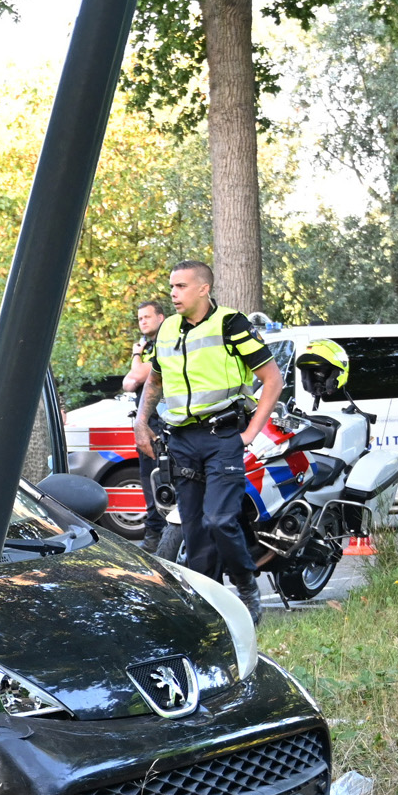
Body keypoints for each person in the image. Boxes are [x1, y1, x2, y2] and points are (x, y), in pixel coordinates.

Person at [133, 260, 285, 623]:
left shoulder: (231, 324)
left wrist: (250, 432)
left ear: (204, 288)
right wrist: (141, 422)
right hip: (182, 440)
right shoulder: (167, 329)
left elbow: (272, 380)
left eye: (181, 286)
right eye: (172, 287)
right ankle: (208, 607)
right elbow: (154, 381)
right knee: (195, 528)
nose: (173, 294)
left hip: (222, 437)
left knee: (219, 519)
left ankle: (246, 586)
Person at [121, 299, 167, 552]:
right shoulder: (150, 347)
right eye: (139, 318)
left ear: (161, 317)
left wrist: (136, 354)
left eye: (147, 317)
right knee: (149, 480)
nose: (143, 322)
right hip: (146, 424)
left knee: (162, 480)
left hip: (163, 424)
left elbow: (136, 376)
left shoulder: (165, 343)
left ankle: (161, 536)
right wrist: (138, 366)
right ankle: (154, 535)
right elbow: (128, 383)